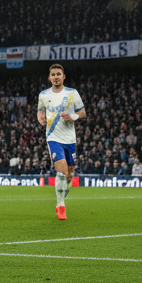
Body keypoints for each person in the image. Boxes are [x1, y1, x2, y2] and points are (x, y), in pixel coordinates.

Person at [37, 63, 85, 220]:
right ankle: (60, 206)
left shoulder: (73, 93)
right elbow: (40, 111)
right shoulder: (43, 95)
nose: (56, 77)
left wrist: (73, 117)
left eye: (59, 74)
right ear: (49, 77)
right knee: (60, 171)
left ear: (63, 76)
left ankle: (64, 192)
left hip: (70, 139)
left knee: (68, 174)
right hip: (53, 137)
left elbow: (82, 112)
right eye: (53, 74)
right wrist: (40, 117)